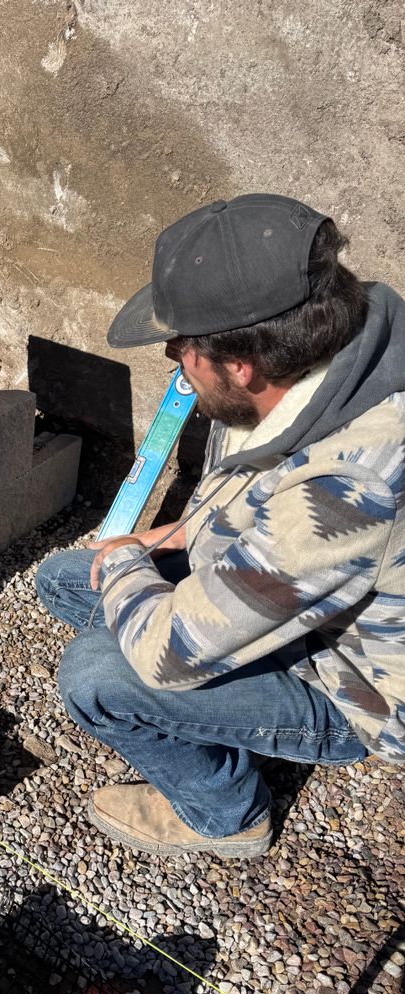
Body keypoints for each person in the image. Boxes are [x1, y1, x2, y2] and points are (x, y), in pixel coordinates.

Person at [36, 193, 405, 860]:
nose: (172, 353)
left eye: (183, 348)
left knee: (98, 676)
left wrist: (122, 561)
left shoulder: (350, 488)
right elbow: (254, 477)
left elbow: (162, 655)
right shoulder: (339, 340)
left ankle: (226, 813)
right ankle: (207, 702)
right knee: (63, 579)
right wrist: (166, 539)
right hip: (308, 597)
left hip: (351, 687)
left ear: (241, 366)